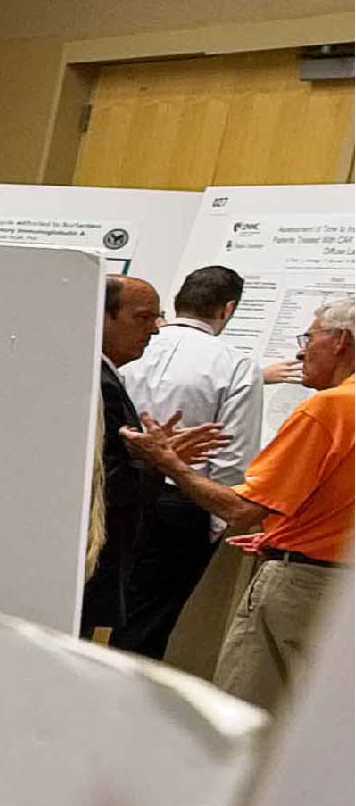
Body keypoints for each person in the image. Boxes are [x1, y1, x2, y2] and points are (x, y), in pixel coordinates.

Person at [128, 293, 353, 714]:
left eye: (310, 336)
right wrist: (285, 532)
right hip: (339, 587)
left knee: (246, 715)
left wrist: (168, 461)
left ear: (340, 341)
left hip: (300, 588)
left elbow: (240, 509)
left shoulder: (329, 408)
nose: (302, 349)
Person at [118, 263, 263, 660]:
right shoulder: (235, 365)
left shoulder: (129, 345)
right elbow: (234, 452)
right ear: (227, 309)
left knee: (99, 605)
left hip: (118, 494)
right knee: (148, 624)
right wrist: (217, 523)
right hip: (183, 504)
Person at [84, 273, 183, 645]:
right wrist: (159, 462)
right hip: (89, 560)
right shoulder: (97, 382)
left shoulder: (103, 376)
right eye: (143, 318)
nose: (155, 331)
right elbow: (105, 480)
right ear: (102, 315)